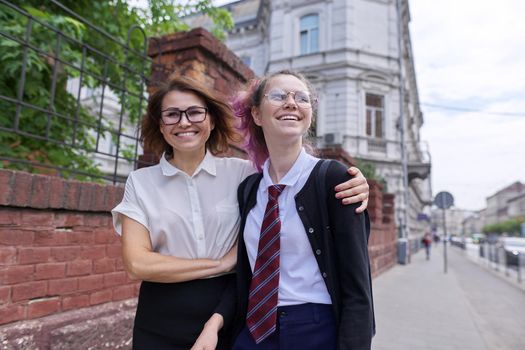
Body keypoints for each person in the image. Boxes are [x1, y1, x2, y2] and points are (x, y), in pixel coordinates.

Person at [111, 76, 371, 349]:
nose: (184, 122)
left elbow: (355, 283)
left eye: (195, 112)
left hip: (232, 313)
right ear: (160, 125)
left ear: (211, 121)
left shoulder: (243, 175)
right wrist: (220, 264)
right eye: (172, 115)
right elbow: (137, 264)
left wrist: (356, 183)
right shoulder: (142, 182)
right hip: (165, 314)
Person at [232, 70, 375, 349]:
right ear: (257, 115)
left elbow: (358, 286)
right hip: (253, 329)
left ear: (309, 114)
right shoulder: (248, 189)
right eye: (278, 96)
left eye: (301, 98)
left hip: (315, 328)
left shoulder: (334, 178)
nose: (291, 102)